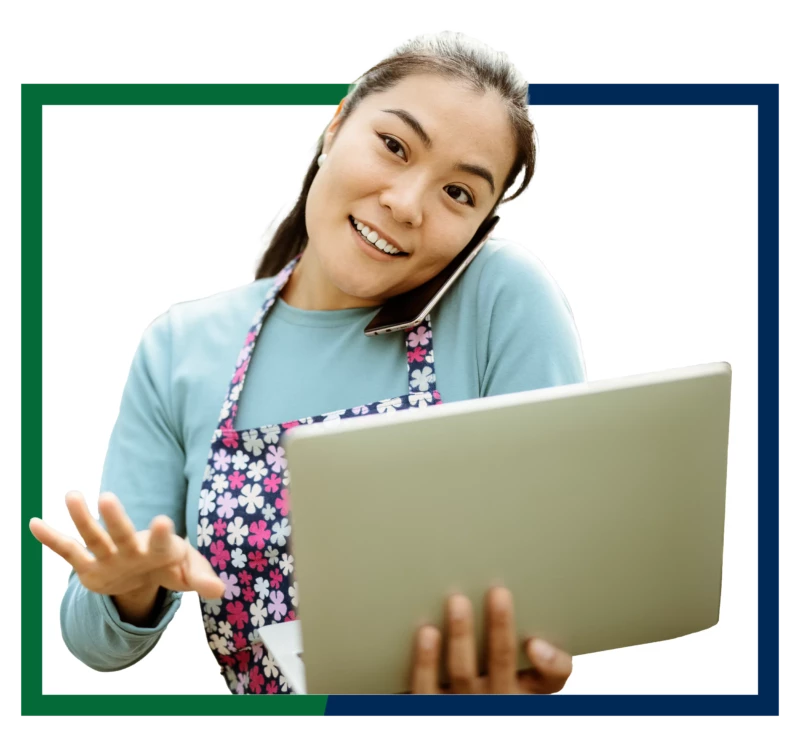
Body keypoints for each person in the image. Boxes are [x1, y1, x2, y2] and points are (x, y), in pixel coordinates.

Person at [29, 31, 585, 695]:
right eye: (394, 145)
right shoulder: (181, 347)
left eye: (460, 194)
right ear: (336, 125)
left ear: (482, 226)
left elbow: (555, 599)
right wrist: (127, 590)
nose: (406, 205)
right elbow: (92, 642)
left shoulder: (501, 302)